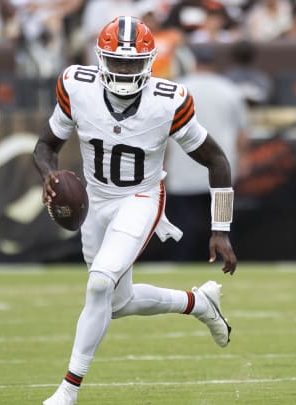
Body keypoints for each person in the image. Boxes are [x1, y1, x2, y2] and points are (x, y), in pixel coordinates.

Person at [32, 16, 238, 405]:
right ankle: (198, 303)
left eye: (131, 63)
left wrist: (221, 227)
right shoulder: (77, 86)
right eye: (117, 61)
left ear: (148, 62)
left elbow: (217, 160)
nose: (124, 70)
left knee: (98, 284)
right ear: (101, 59)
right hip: (95, 201)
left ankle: (67, 391)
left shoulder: (168, 100)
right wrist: (49, 174)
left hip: (140, 199)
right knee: (116, 301)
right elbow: (45, 146)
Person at [165, 44, 249, 263]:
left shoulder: (178, 89)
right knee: (222, 223)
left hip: (183, 169)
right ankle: (225, 263)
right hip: (221, 169)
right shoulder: (230, 90)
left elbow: (163, 134)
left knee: (184, 227)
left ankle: (181, 267)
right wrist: (242, 160)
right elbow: (242, 134)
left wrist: (163, 165)